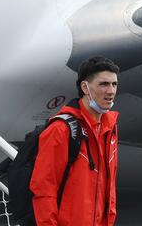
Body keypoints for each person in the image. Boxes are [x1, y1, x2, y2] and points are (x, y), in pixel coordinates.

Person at [31, 56, 120, 226]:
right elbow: (44, 189)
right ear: (85, 87)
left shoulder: (110, 127)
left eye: (114, 84)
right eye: (104, 84)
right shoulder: (60, 129)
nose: (111, 91)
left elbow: (109, 187)